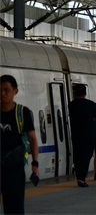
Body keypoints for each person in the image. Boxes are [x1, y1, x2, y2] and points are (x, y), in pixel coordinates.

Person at [1, 75, 39, 214]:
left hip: (14, 167)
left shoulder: (22, 112)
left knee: (15, 206)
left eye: (6, 90)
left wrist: (35, 164)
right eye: (0, 90)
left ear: (15, 91)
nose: (2, 93)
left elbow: (33, 138)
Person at [68, 84, 96, 187]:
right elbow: (95, 117)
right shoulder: (91, 104)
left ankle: (79, 177)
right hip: (88, 135)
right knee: (86, 156)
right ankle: (81, 178)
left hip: (76, 134)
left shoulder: (71, 105)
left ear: (75, 93)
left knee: (78, 156)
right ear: (85, 92)